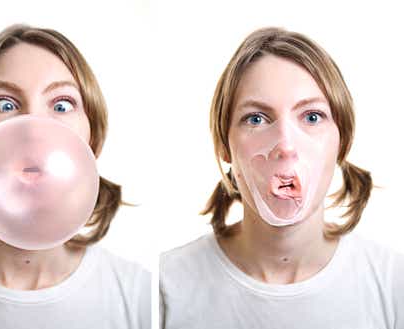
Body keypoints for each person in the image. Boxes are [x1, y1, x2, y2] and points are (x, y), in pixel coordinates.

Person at [0, 24, 151, 329]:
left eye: (62, 105)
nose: (33, 128)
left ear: (93, 140)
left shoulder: (141, 298)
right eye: (6, 104)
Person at [160, 27, 404, 328]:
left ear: (342, 141)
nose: (286, 146)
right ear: (224, 145)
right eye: (256, 119)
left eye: (312, 117)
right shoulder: (164, 287)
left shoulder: (394, 286)